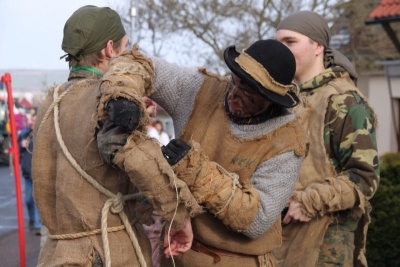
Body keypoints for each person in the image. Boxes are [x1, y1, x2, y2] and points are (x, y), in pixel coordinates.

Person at [99, 39, 309, 266]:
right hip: (176, 254)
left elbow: (257, 219)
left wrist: (195, 171)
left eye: (248, 93)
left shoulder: (288, 139)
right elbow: (136, 61)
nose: (233, 95)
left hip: (237, 260)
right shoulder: (200, 90)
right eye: (234, 82)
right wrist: (123, 95)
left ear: (271, 100)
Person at [32, 5, 195, 266]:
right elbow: (141, 163)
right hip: (106, 253)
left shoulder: (51, 103)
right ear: (109, 49)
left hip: (56, 254)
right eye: (124, 47)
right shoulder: (105, 100)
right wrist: (180, 218)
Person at [274, 10, 379, 267]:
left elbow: (365, 179)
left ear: (318, 46)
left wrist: (308, 201)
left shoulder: (345, 101)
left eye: (291, 42)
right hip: (278, 243)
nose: (282, 51)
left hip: (324, 246)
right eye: (278, 44)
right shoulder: (282, 100)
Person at [18, 113, 42, 235]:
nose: (32, 122)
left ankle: (38, 224)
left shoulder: (42, 133)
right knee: (28, 200)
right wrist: (21, 146)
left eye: (34, 120)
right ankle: (33, 220)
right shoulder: (24, 134)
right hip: (27, 173)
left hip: (38, 173)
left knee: (37, 199)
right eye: (31, 120)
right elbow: (17, 150)